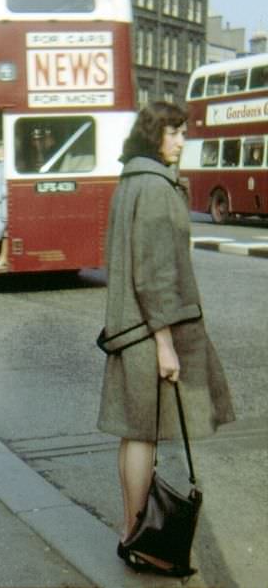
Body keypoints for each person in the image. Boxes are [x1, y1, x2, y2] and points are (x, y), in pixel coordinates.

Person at [97, 102, 235, 577]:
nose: (181, 142)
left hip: (127, 329)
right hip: (146, 332)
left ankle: (129, 529)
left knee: (135, 433)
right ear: (155, 135)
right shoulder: (156, 189)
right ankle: (141, 540)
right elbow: (154, 274)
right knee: (144, 436)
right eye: (175, 133)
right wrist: (165, 342)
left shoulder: (130, 183)